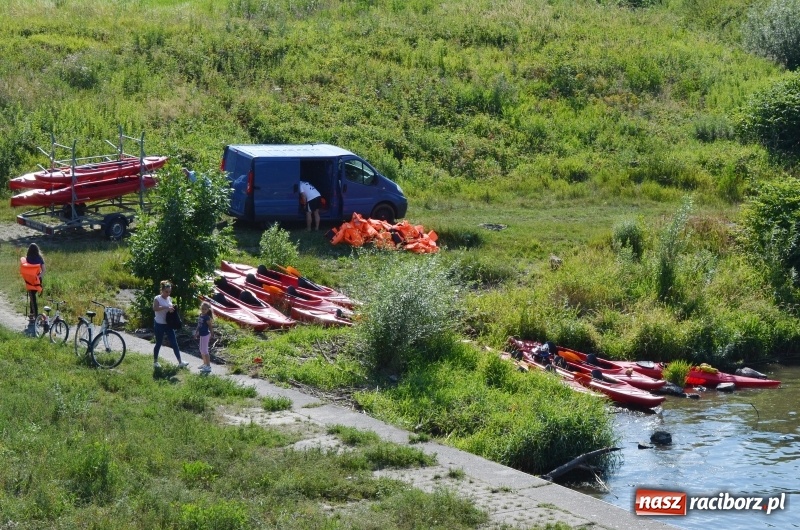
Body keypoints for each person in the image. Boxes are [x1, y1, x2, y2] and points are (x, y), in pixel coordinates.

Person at [152, 280, 188, 370]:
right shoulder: (157, 298)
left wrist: (171, 309)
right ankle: (155, 361)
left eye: (169, 292)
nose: (168, 293)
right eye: (166, 292)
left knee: (174, 343)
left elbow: (169, 310)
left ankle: (180, 362)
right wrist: (166, 307)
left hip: (168, 324)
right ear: (162, 290)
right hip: (159, 324)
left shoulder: (169, 299)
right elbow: (155, 308)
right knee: (159, 343)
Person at [21, 243, 45, 320]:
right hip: (37, 280)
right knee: (33, 297)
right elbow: (44, 270)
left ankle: (35, 315)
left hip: (29, 281)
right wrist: (38, 277)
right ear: (37, 250)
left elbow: (24, 270)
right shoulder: (40, 258)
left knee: (32, 297)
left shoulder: (27, 258)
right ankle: (32, 314)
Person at [193, 301, 214, 374]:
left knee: (205, 351)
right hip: (201, 335)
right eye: (202, 309)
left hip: (205, 335)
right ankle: (205, 364)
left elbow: (210, 326)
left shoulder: (207, 317)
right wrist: (196, 333)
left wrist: (212, 333)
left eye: (205, 309)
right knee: (201, 349)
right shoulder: (201, 315)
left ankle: (208, 366)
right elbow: (199, 326)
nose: (203, 310)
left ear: (208, 310)